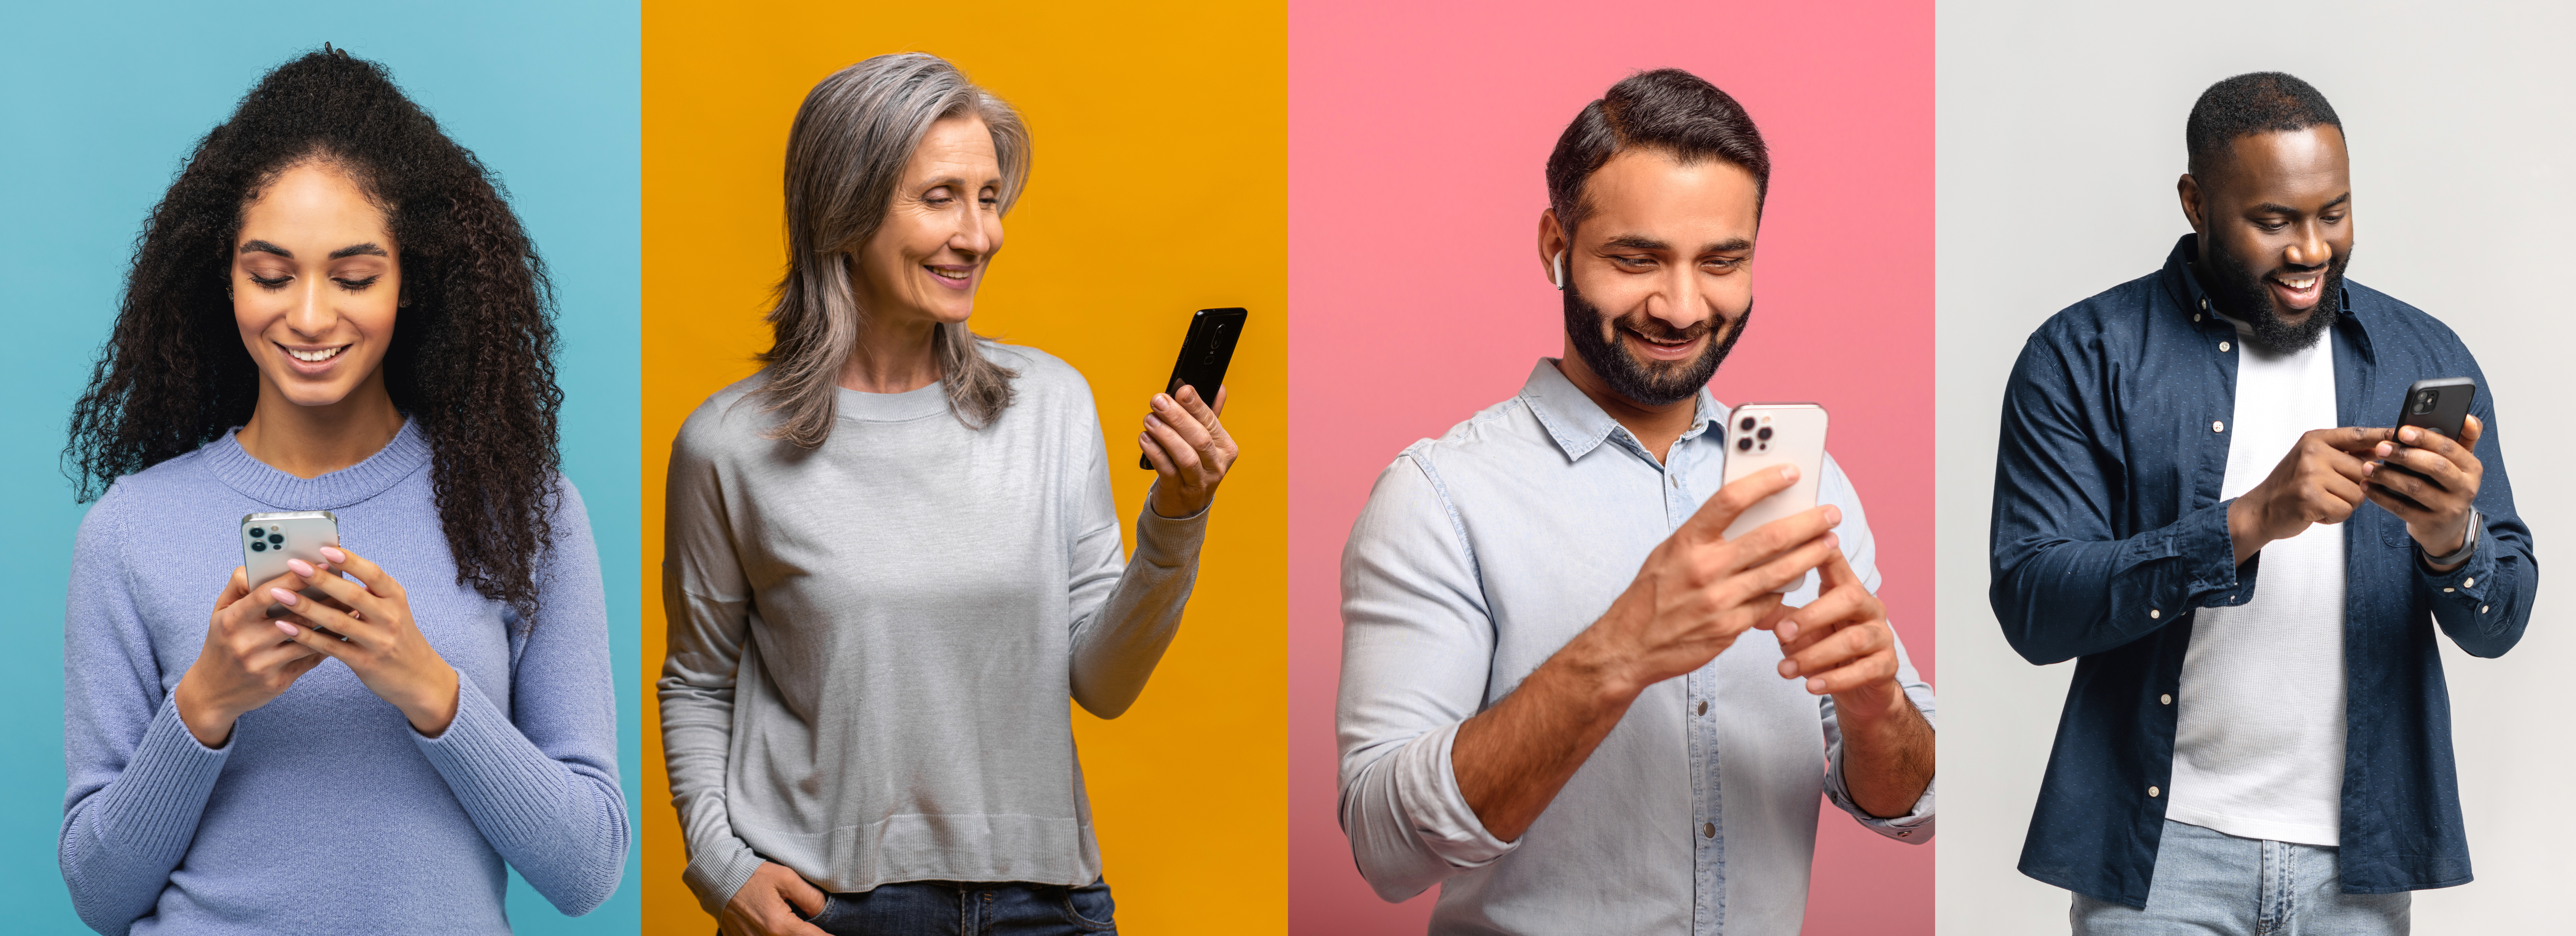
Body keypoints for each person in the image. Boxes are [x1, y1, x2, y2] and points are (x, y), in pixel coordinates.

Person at [1335, 69, 1934, 934]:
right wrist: (1621, 650)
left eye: (1722, 261)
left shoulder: (1806, 490)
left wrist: (1879, 707)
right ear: (1556, 243)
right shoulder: (1439, 498)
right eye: (1636, 258)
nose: (1683, 306)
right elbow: (1386, 850)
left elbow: (1913, 808)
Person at [658, 52, 1239, 936]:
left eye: (990, 197)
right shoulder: (729, 445)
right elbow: (698, 684)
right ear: (844, 210)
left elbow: (1103, 682)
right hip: (830, 907)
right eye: (941, 198)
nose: (981, 235)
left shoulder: (1053, 406)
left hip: (1050, 903)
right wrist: (722, 868)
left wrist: (1177, 519)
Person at [58, 47, 627, 936]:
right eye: (271, 275)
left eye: (355, 277)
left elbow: (589, 869)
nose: (312, 316)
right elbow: (98, 896)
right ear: (225, 279)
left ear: (410, 284)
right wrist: (206, 702)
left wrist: (427, 686)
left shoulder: (529, 516)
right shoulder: (130, 531)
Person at [1990, 72, 2534, 934]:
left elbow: (2500, 622)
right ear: (2196, 202)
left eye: (2333, 214)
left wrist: (2448, 537)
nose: (2311, 249)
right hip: (2160, 855)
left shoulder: (2422, 354)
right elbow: (2033, 607)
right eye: (2274, 222)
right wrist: (2247, 521)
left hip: (2359, 863)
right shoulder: (2082, 355)